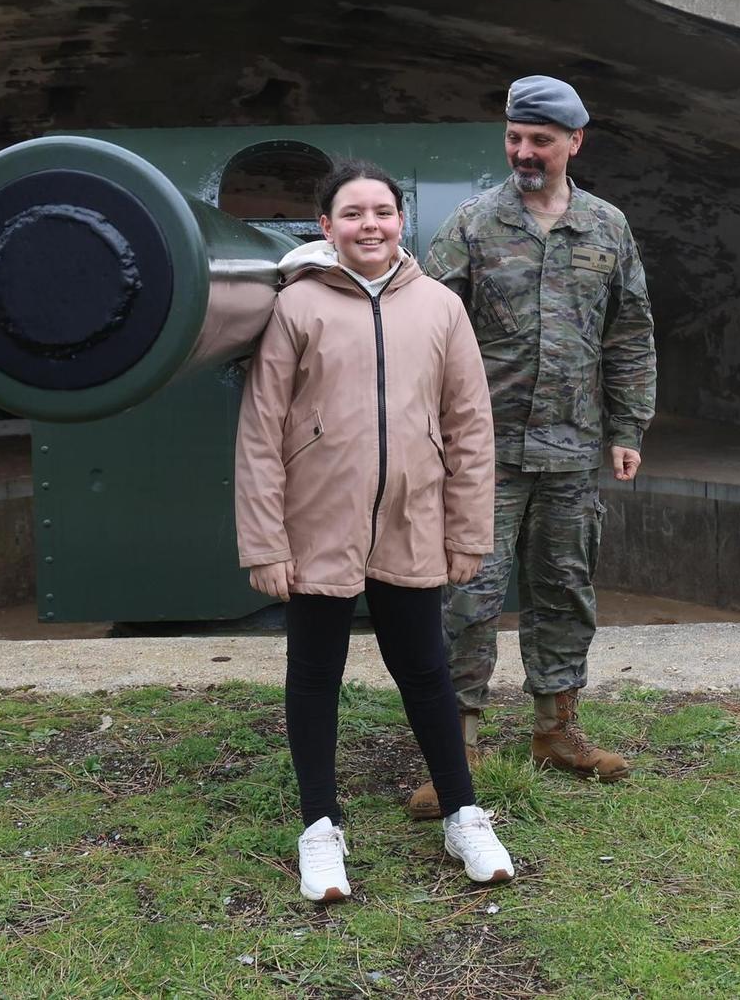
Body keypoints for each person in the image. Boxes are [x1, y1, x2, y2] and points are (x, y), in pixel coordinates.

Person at [234, 161, 515, 901]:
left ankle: (462, 812)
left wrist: (467, 531)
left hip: (412, 517)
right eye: (352, 213)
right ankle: (320, 827)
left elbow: (470, 425)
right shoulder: (297, 309)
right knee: (315, 672)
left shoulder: (439, 307)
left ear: (402, 221)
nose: (370, 225)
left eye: (383, 212)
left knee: (424, 667)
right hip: (318, 521)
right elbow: (262, 431)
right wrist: (265, 542)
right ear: (326, 228)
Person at [406, 75, 657, 820]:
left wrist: (626, 427)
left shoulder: (607, 227)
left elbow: (630, 331)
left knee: (565, 590)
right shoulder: (474, 225)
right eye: (514, 137)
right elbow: (425, 324)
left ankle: (556, 729)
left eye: (539, 140)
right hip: (485, 452)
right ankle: (459, 750)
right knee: (470, 597)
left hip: (575, 451)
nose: (523, 151)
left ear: (574, 143)